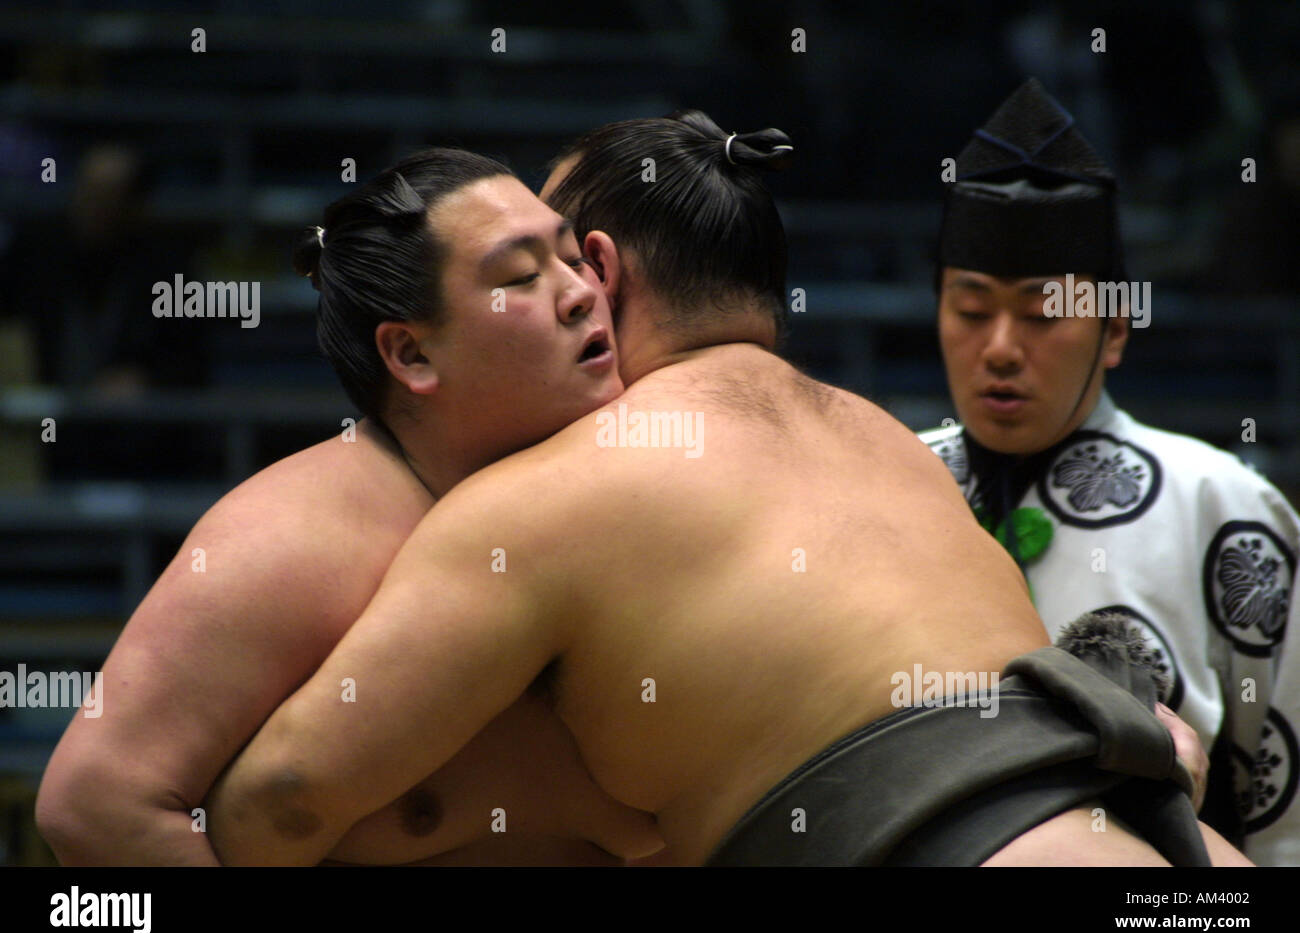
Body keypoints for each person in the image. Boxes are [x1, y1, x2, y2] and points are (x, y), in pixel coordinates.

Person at [203, 110, 1245, 867]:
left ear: (594, 273)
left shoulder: (541, 499)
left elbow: (286, 796)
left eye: (545, 256)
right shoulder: (892, 443)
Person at [35, 148, 664, 866]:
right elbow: (93, 804)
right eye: (520, 277)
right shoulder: (288, 543)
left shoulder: (652, 473)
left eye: (573, 257)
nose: (582, 293)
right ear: (412, 355)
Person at [916, 78, 1300, 864]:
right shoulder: (887, 482)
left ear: (1115, 328)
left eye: (1042, 312)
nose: (998, 345)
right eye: (971, 306)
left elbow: (1286, 804)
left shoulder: (1221, 501)